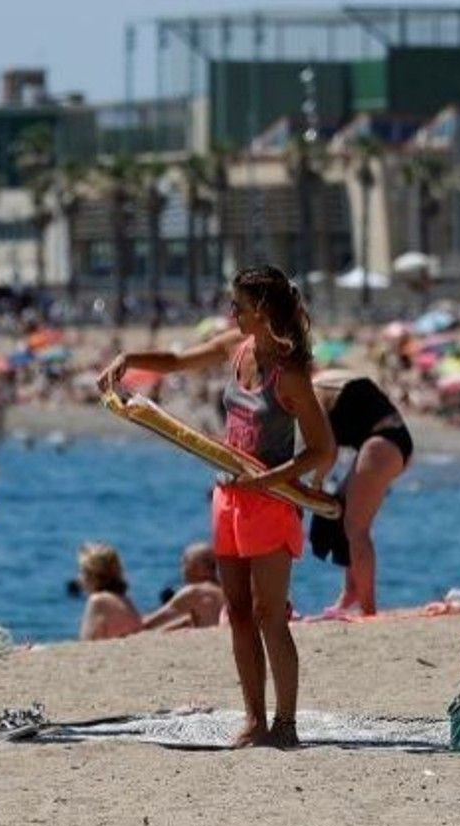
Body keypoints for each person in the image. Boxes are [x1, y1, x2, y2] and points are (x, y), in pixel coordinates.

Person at [98, 264, 336, 749]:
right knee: (240, 612)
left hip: (270, 504)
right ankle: (254, 719)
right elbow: (180, 360)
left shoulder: (289, 374)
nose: (231, 313)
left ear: (262, 311)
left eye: (239, 307)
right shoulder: (236, 347)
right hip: (227, 500)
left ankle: (285, 724)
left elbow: (321, 449)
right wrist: (130, 358)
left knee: (272, 614)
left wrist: (274, 478)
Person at [304, 370, 414, 616]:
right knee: (342, 514)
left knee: (356, 529)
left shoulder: (312, 394)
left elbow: (327, 451)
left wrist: (314, 487)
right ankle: (350, 594)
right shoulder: (325, 380)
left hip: (381, 444)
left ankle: (368, 609)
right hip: (390, 439)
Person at [143, 542, 226, 631]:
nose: (182, 570)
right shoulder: (223, 591)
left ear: (199, 569)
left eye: (185, 563)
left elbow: (149, 623)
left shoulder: (195, 592)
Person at [76, 543, 144, 641]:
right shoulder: (125, 599)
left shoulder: (97, 601)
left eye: (81, 572)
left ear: (93, 575)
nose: (79, 578)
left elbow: (87, 641)